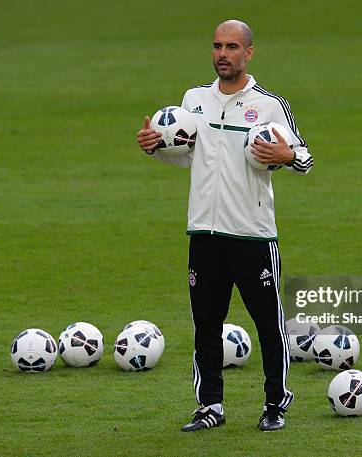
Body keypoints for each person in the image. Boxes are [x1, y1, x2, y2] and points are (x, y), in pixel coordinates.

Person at [136, 19, 313, 432]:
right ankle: (209, 406)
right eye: (217, 46)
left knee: (269, 324)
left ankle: (275, 405)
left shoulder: (270, 106)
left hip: (252, 235)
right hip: (203, 234)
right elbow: (185, 157)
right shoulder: (194, 99)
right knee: (206, 325)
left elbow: (304, 158)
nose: (222, 54)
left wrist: (288, 156)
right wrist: (155, 148)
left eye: (232, 47)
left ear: (248, 52)